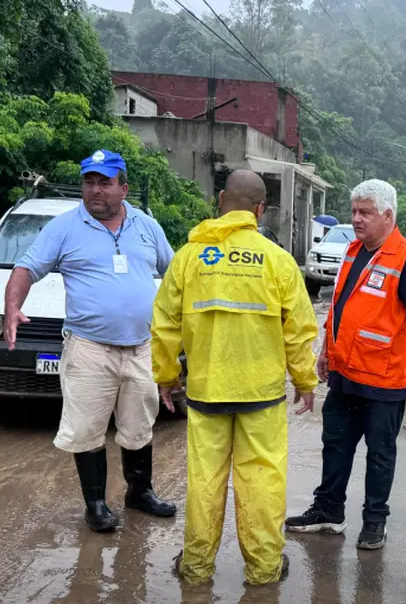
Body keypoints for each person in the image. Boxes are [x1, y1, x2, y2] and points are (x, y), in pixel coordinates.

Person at [150, 169, 319, 585]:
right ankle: (263, 571)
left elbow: (165, 323)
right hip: (261, 396)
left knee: (204, 482)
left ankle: (195, 568)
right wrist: (305, 380)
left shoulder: (189, 257)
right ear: (261, 210)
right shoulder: (277, 260)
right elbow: (298, 328)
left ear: (221, 199)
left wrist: (167, 376)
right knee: (261, 481)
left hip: (207, 392)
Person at [285, 179, 406, 550]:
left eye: (364, 212)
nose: (356, 219)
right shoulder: (353, 251)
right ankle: (329, 512)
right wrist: (324, 351)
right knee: (335, 445)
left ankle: (374, 522)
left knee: (380, 454)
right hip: (345, 375)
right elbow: (340, 306)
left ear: (387, 215)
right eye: (354, 211)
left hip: (384, 382)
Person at [4, 149, 177, 532]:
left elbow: (175, 272)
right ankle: (96, 504)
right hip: (89, 349)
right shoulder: (63, 228)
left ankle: (139, 492)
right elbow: (26, 268)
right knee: (87, 429)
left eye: (105, 182)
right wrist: (12, 306)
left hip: (141, 347)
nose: (95, 190)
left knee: (138, 426)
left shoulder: (147, 227)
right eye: (89, 182)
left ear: (124, 188)